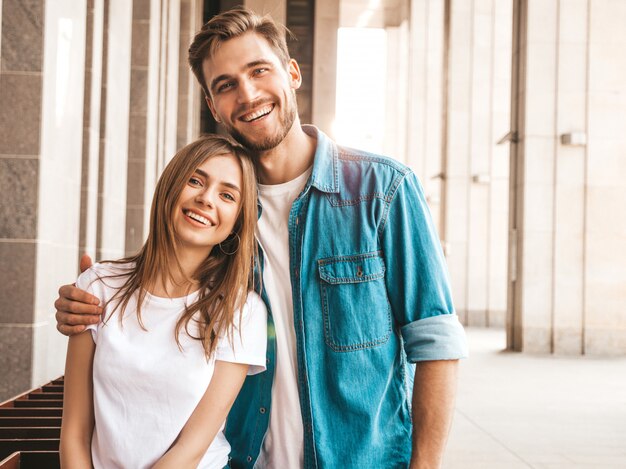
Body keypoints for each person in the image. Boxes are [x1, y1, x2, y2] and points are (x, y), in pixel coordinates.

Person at [55, 7, 468, 469]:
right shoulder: (224, 214)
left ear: (291, 73)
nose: (248, 94)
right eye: (226, 84)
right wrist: (96, 300)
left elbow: (435, 342)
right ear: (213, 106)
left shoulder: (381, 189)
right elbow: (165, 288)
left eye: (259, 71)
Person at [59, 135, 267, 469]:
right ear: (170, 187)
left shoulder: (242, 311)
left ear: (236, 222)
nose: (206, 199)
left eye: (227, 195)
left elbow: (191, 449)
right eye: (196, 180)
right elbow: (75, 432)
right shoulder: (98, 286)